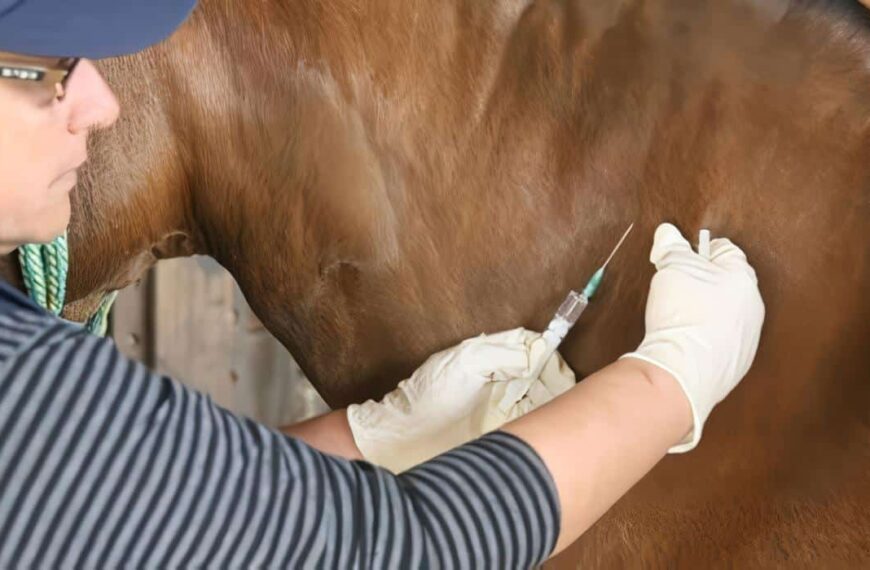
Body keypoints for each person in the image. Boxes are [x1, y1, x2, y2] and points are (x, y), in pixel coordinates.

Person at [0, 0, 765, 567]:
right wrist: (671, 379)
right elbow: (403, 554)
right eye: (51, 71)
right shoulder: (23, 391)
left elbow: (143, 524)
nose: (100, 105)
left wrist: (365, 440)